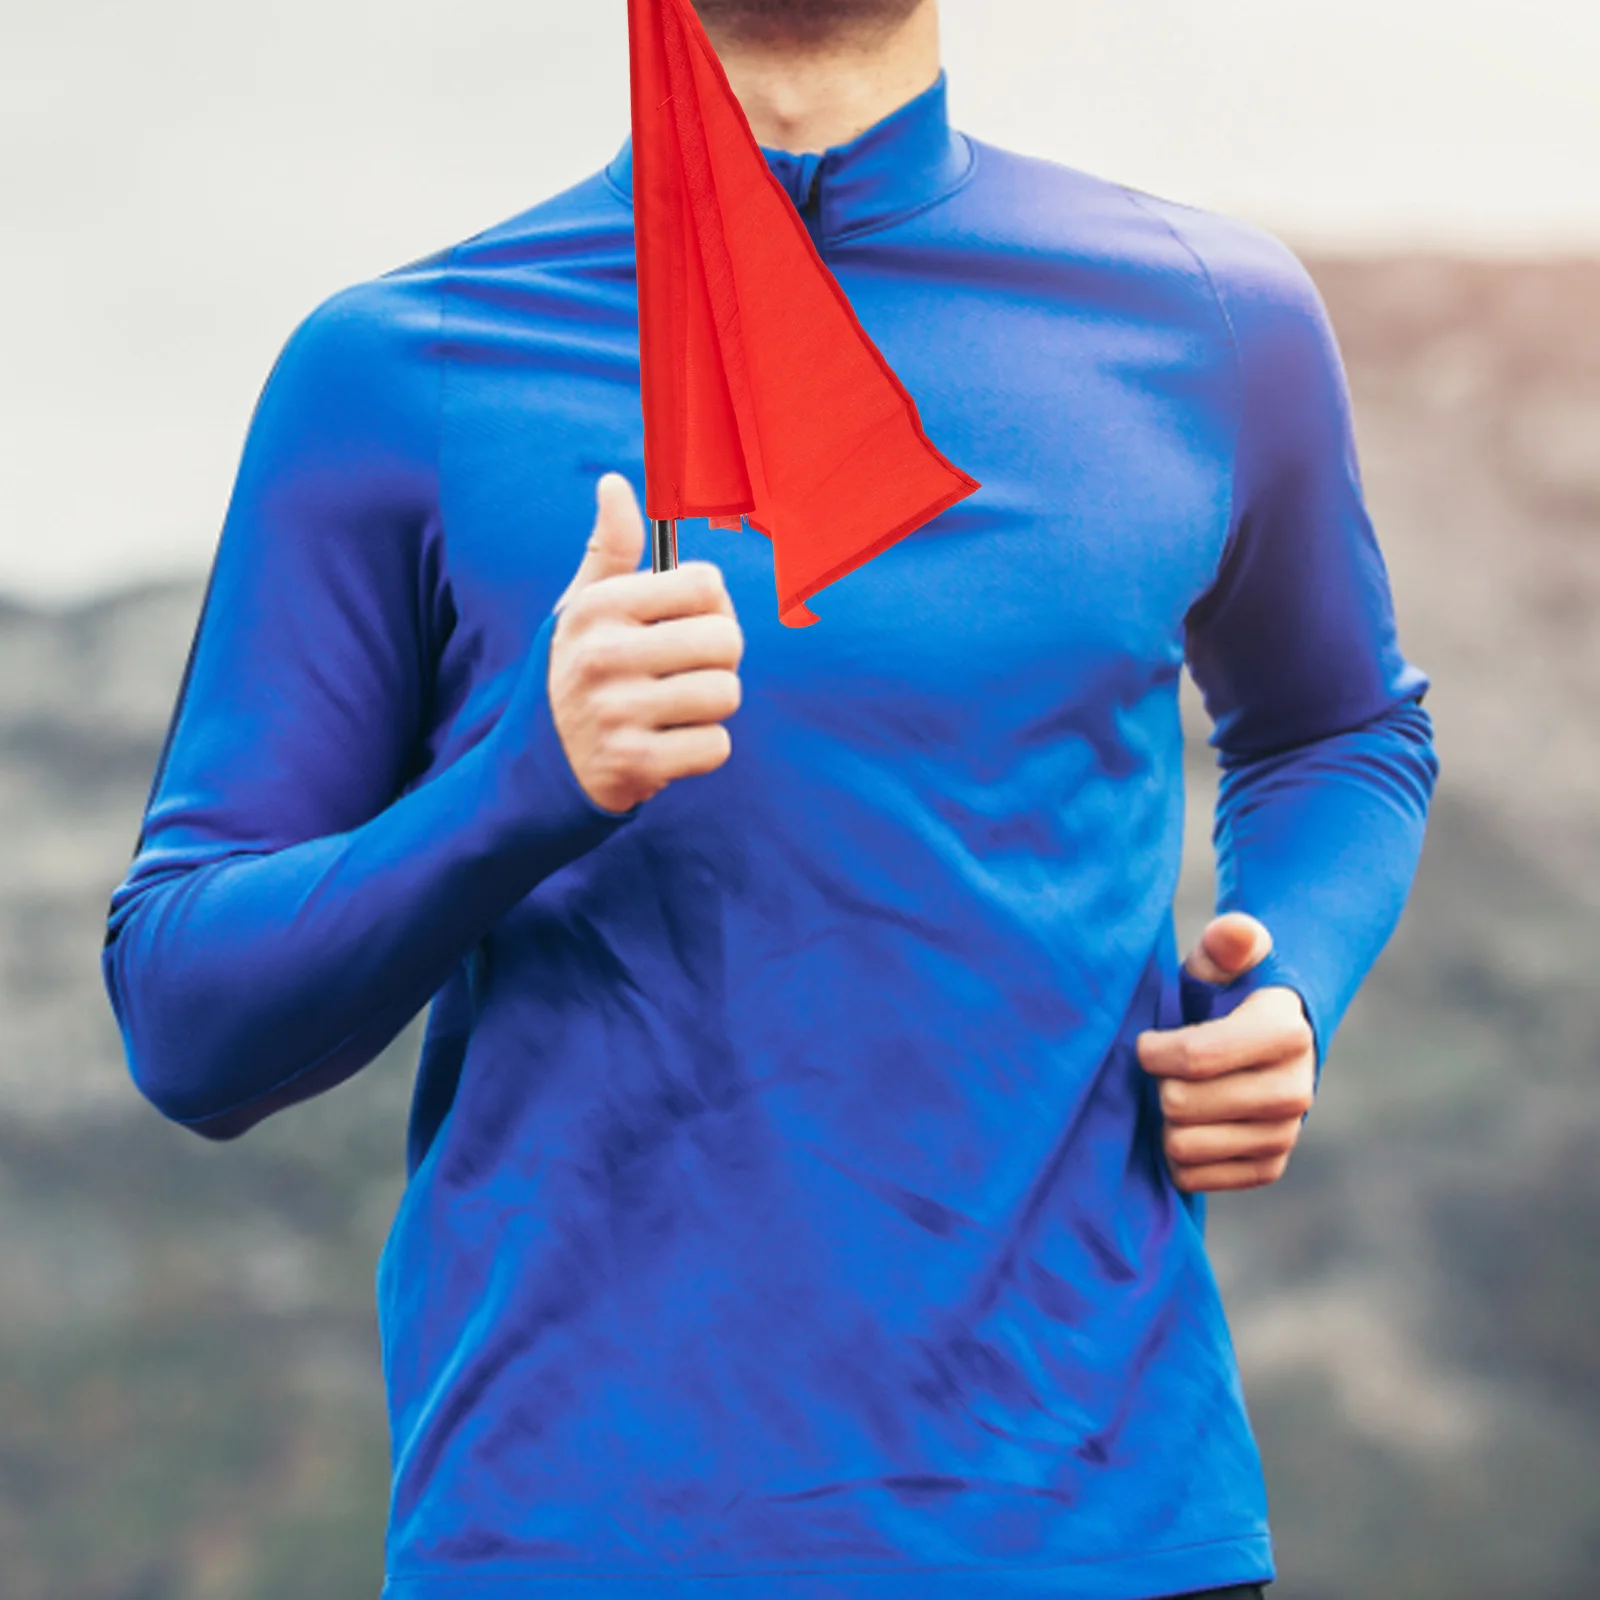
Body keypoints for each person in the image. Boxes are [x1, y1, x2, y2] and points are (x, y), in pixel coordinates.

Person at [102, 1, 1437, 1596]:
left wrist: (1283, 970)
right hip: (576, 1543)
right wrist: (524, 782)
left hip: (1109, 1529)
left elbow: (1340, 732)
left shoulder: (1217, 323)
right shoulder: (399, 367)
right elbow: (186, 1016)